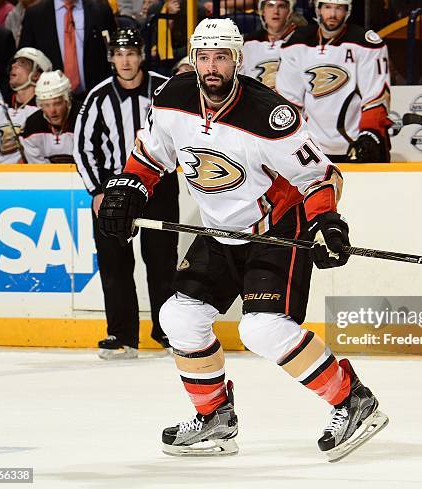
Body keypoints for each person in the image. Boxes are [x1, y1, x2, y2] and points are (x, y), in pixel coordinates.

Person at [97, 18, 388, 460]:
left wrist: (326, 221)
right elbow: (151, 154)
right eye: (204, 57)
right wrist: (129, 189)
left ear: (237, 59)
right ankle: (215, 417)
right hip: (218, 231)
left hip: (274, 230)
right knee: (179, 317)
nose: (211, 67)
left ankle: (353, 400)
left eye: (221, 57)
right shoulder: (172, 98)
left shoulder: (269, 115)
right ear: (193, 60)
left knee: (261, 328)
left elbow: (320, 175)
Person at [73, 28, 179, 359]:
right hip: (113, 191)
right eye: (119, 54)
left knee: (162, 263)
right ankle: (121, 336)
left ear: (142, 54)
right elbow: (82, 147)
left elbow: (181, 131)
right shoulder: (98, 96)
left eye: (131, 53)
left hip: (158, 186)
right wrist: (96, 190)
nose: (126, 60)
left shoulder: (163, 89)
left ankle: (168, 334)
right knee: (114, 264)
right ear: (111, 58)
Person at [276, 0, 392, 163]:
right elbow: (289, 101)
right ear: (318, 9)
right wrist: (288, 137)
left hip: (357, 144)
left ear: (348, 11)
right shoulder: (296, 43)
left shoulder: (366, 43)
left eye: (339, 8)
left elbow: (376, 96)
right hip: (311, 147)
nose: (332, 14)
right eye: (328, 7)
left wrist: (370, 133)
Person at [0, 47, 51, 163]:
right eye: (14, 62)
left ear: (36, 75)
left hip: (30, 176)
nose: (14, 66)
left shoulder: (46, 111)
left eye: (22, 63)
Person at [18, 0, 116, 98]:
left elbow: (113, 54)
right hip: (52, 100)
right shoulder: (34, 15)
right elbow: (24, 59)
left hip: (97, 96)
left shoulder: (101, 11)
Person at [21, 70, 79, 163]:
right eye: (46, 105)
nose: (52, 111)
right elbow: (40, 171)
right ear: (39, 104)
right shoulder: (32, 126)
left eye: (57, 103)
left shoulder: (84, 119)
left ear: (67, 100)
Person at [240, 0, 301, 90]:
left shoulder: (303, 41)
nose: (275, 11)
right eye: (270, 6)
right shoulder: (248, 43)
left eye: (281, 6)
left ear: (290, 11)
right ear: (263, 11)